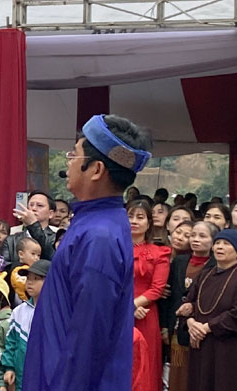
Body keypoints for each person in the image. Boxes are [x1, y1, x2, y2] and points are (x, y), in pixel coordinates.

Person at [25, 114, 152, 391]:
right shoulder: (97, 222)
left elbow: (88, 342)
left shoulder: (99, 237)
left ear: (96, 169)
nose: (69, 161)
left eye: (75, 154)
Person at [176, 229, 237, 391]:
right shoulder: (204, 275)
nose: (220, 247)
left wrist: (207, 327)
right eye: (217, 243)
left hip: (226, 346)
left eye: (226, 244)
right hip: (199, 342)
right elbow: (189, 303)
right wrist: (191, 323)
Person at [163, 221, 217, 391]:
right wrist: (164, 325)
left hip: (201, 328)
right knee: (178, 374)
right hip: (177, 326)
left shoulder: (216, 265)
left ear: (213, 241)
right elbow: (169, 296)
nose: (195, 239)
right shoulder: (179, 261)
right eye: (193, 235)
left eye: (202, 236)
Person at [128, 198, 171, 391]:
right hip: (115, 311)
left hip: (145, 314)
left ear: (149, 223)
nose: (134, 221)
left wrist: (132, 306)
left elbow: (157, 289)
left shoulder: (159, 253)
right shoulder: (113, 249)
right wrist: (126, 308)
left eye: (140, 217)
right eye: (130, 216)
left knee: (146, 364)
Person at [2, 259, 48, 391]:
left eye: (36, 279)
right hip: (22, 377)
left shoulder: (56, 312)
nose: (30, 282)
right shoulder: (18, 311)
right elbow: (11, 342)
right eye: (28, 278)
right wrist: (9, 368)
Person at [0, 191, 55, 265]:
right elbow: (4, 266)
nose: (34, 208)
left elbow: (53, 258)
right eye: (31, 205)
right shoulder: (11, 240)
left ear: (50, 214)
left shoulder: (57, 238)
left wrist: (33, 225)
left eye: (40, 205)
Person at [6, 237, 40, 304]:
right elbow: (22, 288)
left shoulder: (34, 269)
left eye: (38, 255)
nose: (36, 258)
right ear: (21, 254)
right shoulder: (17, 270)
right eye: (33, 254)